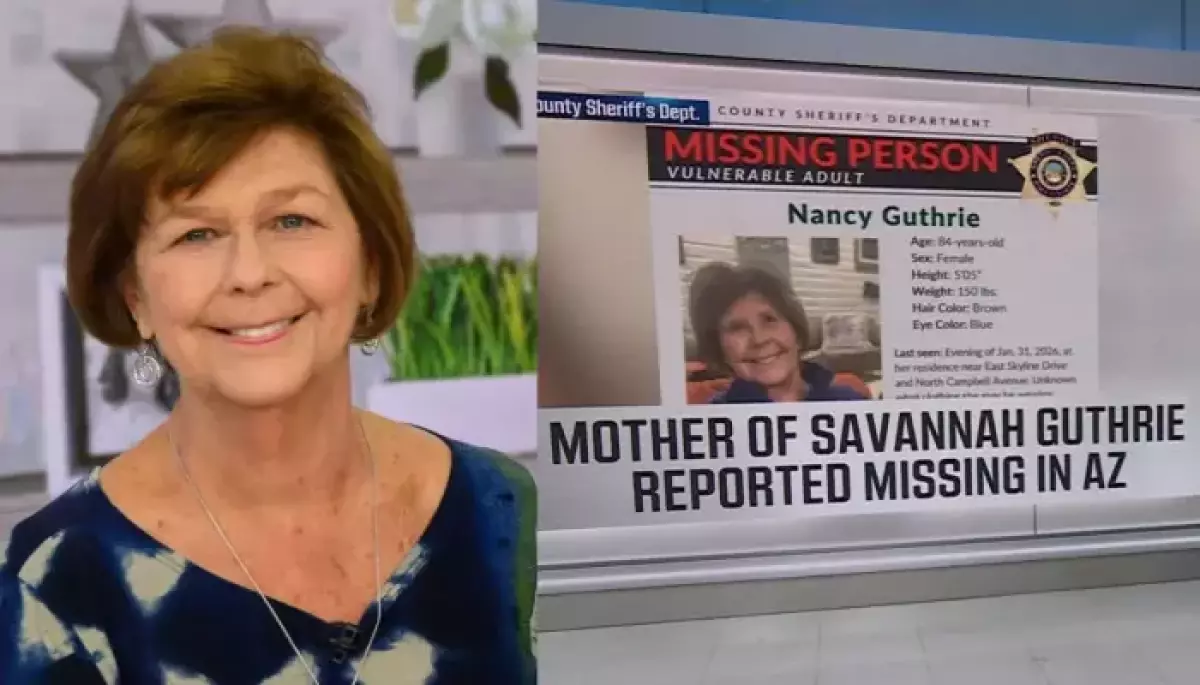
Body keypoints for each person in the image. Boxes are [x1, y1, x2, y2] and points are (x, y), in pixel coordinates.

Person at [0, 29, 536, 685]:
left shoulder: (498, 505)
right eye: (197, 233)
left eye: (291, 222)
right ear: (135, 295)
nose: (249, 274)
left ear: (369, 264)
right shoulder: (50, 580)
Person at [689, 262, 867, 403]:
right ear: (719, 349)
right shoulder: (711, 425)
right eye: (737, 328)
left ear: (795, 331)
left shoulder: (851, 402)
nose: (759, 339)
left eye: (769, 320)